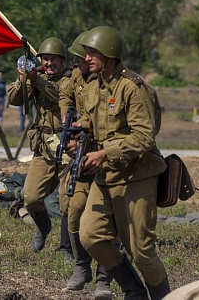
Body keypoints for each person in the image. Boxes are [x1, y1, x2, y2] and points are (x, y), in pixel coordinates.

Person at [71, 26, 170, 299]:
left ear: (110, 53)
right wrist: (79, 135)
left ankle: (162, 296)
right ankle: (133, 289)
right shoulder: (94, 84)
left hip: (137, 175)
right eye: (87, 52)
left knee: (141, 249)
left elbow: (144, 137)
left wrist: (104, 154)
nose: (87, 57)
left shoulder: (133, 87)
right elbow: (91, 121)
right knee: (90, 235)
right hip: (106, 175)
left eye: (93, 52)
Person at [59, 31, 113, 300]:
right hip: (84, 156)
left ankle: (105, 277)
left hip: (109, 159)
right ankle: (82, 267)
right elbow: (68, 104)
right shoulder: (77, 80)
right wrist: (70, 136)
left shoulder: (114, 84)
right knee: (73, 208)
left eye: (83, 57)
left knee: (107, 221)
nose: (80, 61)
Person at [6, 37, 71, 256]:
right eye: (46, 59)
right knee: (31, 196)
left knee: (67, 202)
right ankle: (43, 227)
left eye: (54, 59)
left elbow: (60, 96)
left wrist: (37, 80)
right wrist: (23, 78)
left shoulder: (71, 79)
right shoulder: (37, 77)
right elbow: (13, 99)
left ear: (62, 61)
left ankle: (67, 248)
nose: (50, 63)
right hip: (43, 147)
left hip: (67, 146)